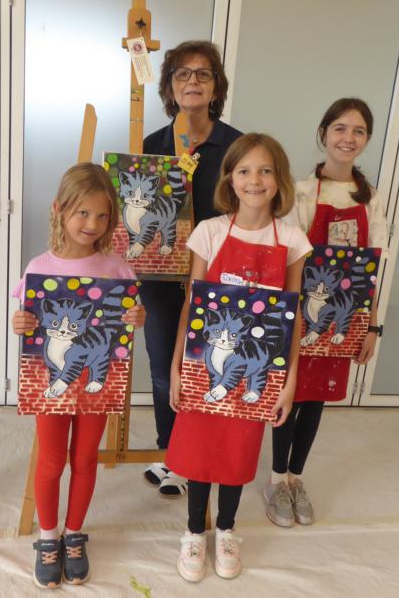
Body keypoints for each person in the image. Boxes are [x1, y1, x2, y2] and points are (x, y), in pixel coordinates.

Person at [167, 133, 311, 581]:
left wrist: (289, 380)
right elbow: (191, 305)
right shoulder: (209, 232)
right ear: (229, 178)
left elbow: (293, 316)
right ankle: (195, 531)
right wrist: (176, 366)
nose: (255, 180)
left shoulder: (292, 239)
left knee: (238, 451)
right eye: (244, 170)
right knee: (198, 449)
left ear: (279, 179)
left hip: (256, 371)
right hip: (203, 364)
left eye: (265, 170)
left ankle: (227, 529)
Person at [11, 163, 146, 589]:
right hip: (49, 382)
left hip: (95, 383)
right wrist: (19, 322)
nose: (92, 224)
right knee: (52, 460)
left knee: (85, 459)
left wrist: (137, 318)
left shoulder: (117, 269)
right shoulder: (39, 267)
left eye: (102, 215)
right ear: (59, 209)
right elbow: (26, 319)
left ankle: (74, 534)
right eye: (82, 213)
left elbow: (127, 322)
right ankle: (48, 536)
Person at [264, 98, 387, 528]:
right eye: (340, 128)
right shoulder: (299, 192)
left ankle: (296, 477)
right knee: (291, 394)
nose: (348, 138)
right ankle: (276, 480)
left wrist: (372, 326)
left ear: (367, 139)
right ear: (323, 134)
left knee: (316, 399)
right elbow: (285, 261)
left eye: (358, 131)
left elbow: (373, 270)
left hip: (343, 318)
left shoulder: (371, 199)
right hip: (301, 312)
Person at [141, 40, 242, 498]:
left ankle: (202, 453)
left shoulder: (236, 145)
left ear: (216, 86)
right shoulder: (152, 145)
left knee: (210, 365)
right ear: (169, 86)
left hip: (219, 277)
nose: (193, 81)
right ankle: (171, 453)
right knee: (165, 366)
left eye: (203, 74)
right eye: (182, 73)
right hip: (161, 276)